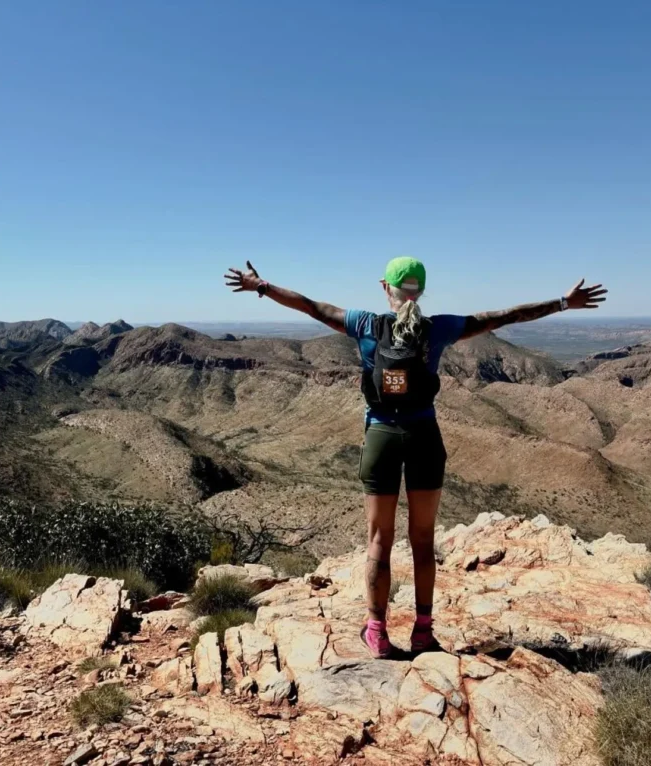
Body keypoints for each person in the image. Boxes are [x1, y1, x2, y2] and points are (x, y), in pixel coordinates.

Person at [224, 257, 606, 658]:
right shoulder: (437, 328)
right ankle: (423, 632)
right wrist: (563, 303)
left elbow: (310, 306)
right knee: (423, 542)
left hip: (381, 436)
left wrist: (261, 286)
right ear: (419, 291)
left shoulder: (365, 324)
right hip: (424, 436)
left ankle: (377, 633)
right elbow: (501, 316)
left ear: (384, 287)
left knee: (378, 541)